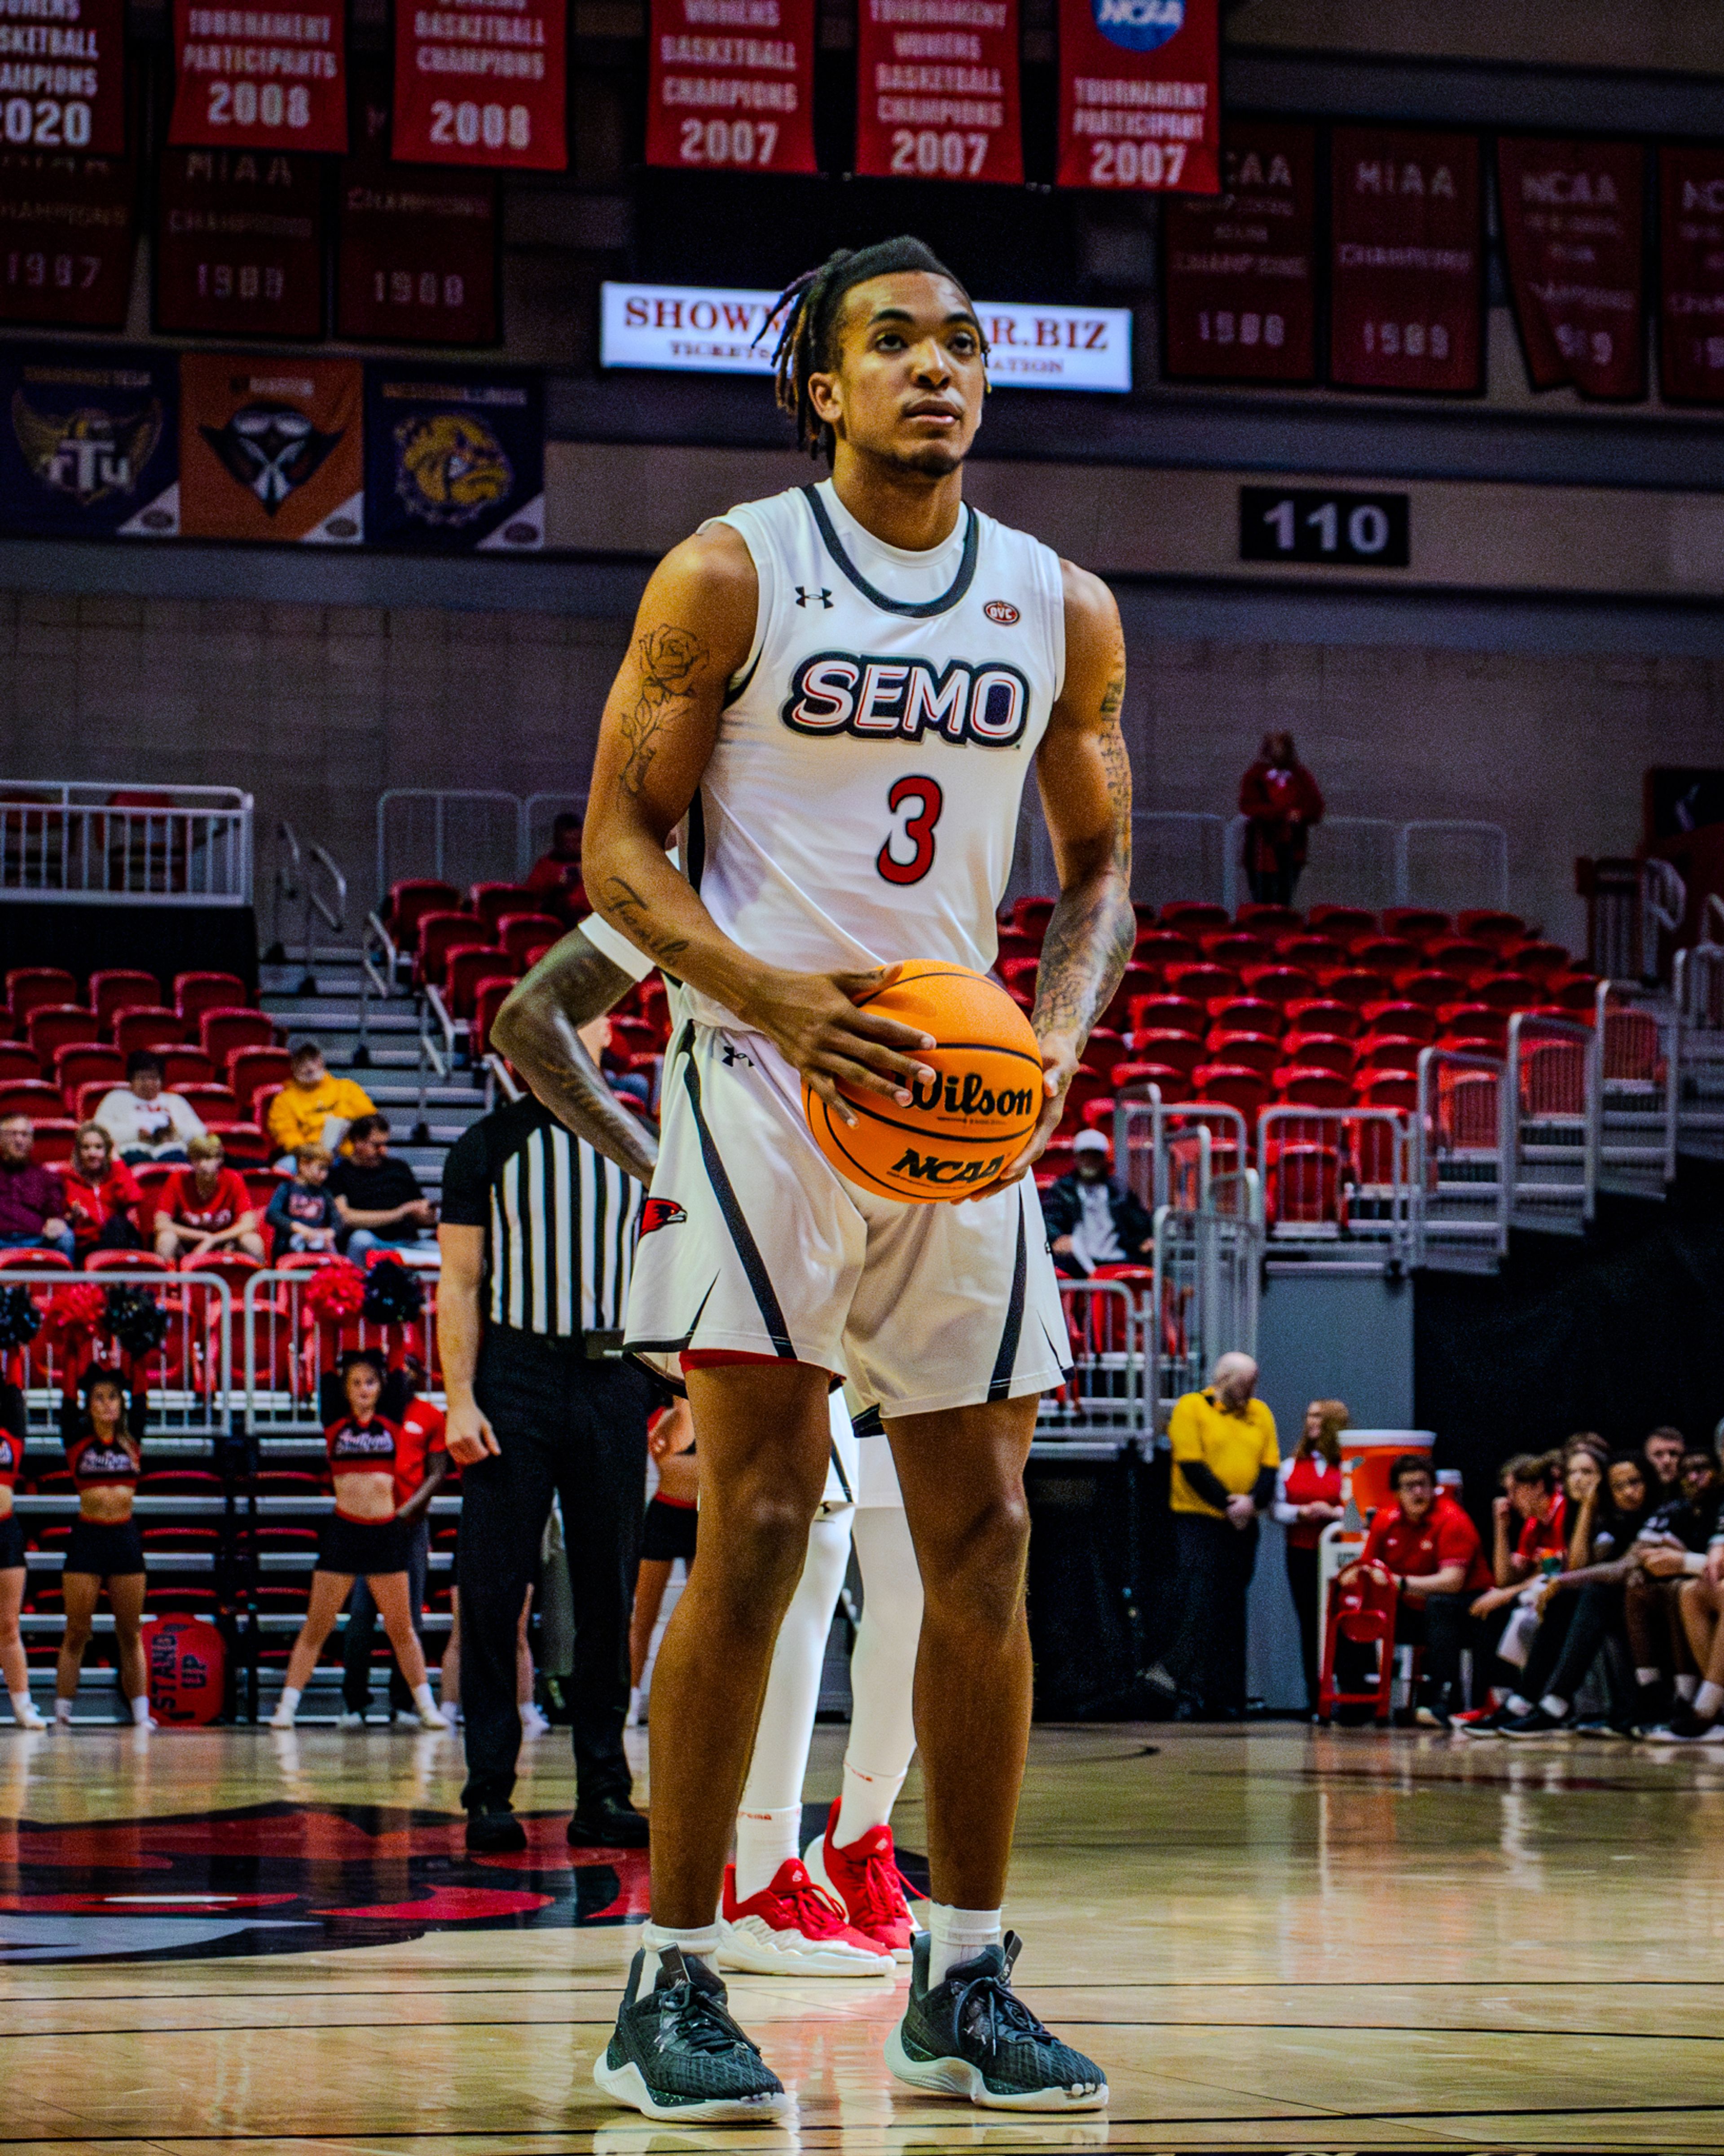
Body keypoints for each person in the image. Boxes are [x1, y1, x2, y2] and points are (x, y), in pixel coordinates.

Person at [497, 234, 1122, 2118]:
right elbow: (616, 851)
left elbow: (1093, 874)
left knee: (986, 1538)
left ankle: (964, 1972)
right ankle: (666, 1979)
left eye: (959, 344)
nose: (935, 370)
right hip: (763, 1080)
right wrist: (768, 995)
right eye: (891, 343)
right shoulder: (727, 570)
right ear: (819, 387)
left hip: (953, 1098)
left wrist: (1058, 1041)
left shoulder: (1060, 607)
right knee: (760, 1523)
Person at [435, 1086, 651, 1856]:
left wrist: (676, 1385)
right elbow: (458, 1280)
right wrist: (458, 1398)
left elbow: (676, 1267)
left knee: (609, 1594)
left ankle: (604, 1789)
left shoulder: (643, 1137)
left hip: (614, 1374)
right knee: (492, 1592)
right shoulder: (490, 1143)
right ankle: (488, 1790)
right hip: (513, 1375)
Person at [268, 1349, 448, 1730]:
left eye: (370, 1382)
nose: (364, 1389)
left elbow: (398, 1363)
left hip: (385, 1532)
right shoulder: (335, 1422)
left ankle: (426, 1707)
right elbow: (329, 1363)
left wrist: (395, 1316)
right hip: (344, 1532)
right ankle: (286, 1707)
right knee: (317, 1625)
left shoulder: (392, 1419)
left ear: (382, 1386)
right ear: (345, 1389)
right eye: (356, 1383)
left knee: (402, 1630)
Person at [1149, 1355, 1279, 1721]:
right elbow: (1192, 1465)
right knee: (1200, 1603)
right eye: (1246, 1384)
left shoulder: (1260, 1413)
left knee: (1232, 1609)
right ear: (1225, 1379)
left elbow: (1270, 1467)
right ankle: (1191, 1691)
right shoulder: (1192, 1408)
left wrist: (1252, 1502)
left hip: (1243, 1526)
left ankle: (1229, 1696)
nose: (1252, 1391)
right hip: (1200, 1523)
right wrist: (1229, 1505)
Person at [339, 1354, 448, 1726]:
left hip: (408, 1529)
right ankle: (354, 1703)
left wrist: (405, 1513)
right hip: (369, 1525)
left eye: (412, 1373)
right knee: (360, 1617)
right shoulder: (374, 1415)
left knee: (408, 1619)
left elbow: (438, 1473)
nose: (406, 1379)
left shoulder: (430, 1416)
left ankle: (403, 1703)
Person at [1344, 1455, 1488, 1727]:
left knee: (1440, 1604)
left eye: (1423, 1484)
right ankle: (1357, 1703)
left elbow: (1453, 1582)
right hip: (1414, 1612)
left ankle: (1443, 1702)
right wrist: (1354, 1576)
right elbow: (1367, 1567)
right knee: (1352, 1613)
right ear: (1397, 1492)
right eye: (1409, 1486)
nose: (1418, 1492)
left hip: (1467, 1611)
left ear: (1434, 1487)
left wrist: (1401, 1583)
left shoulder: (1452, 1519)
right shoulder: (1385, 1520)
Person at [57, 1372, 151, 1728]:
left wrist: (136, 1347)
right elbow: (66, 1401)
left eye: (114, 1396)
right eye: (99, 1397)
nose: (108, 1403)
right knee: (77, 1630)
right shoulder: (77, 1439)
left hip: (125, 1537)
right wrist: (71, 1346)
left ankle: (142, 1716)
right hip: (88, 1538)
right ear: (88, 1404)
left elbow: (141, 1393)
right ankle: (63, 1715)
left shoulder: (133, 1437)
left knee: (130, 1631)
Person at [1271, 1399, 1348, 1712]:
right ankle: (1316, 1697)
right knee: (1310, 1624)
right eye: (1309, 1415)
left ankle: (1351, 1694)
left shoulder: (1348, 1465)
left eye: (1318, 1416)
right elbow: (1276, 1508)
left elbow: (1358, 1509)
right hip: (1301, 1554)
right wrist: (1302, 1513)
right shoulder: (1290, 1466)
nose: (1311, 1421)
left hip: (1341, 1556)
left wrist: (1332, 1512)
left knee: (1342, 1623)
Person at [630, 1398, 698, 1700]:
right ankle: (630, 1696)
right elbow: (665, 1454)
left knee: (703, 1619)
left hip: (702, 1517)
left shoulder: (716, 1415)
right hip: (665, 1514)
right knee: (643, 1615)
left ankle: (700, 1697)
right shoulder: (662, 1415)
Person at [1041, 1128, 1154, 1277]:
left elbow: (1139, 1221)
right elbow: (1050, 1221)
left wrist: (1145, 1239)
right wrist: (1057, 1239)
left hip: (1118, 1258)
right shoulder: (1063, 1190)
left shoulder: (1118, 1190)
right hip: (1077, 1261)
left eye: (1095, 1156)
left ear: (1104, 1159)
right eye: (1085, 1156)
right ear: (1076, 1158)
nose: (1090, 1161)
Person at [327, 1115, 437, 1259]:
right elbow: (346, 1217)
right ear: (358, 1142)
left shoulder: (399, 1168)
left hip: (406, 1241)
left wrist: (426, 1213)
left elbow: (422, 1215)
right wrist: (399, 1213)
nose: (383, 1151)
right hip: (370, 1240)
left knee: (441, 1252)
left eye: (385, 1144)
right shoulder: (340, 1172)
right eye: (376, 1145)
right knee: (361, 1240)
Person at [1238, 731, 1324, 908]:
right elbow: (1249, 805)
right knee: (1262, 898)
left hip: (1292, 847)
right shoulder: (1256, 775)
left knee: (1286, 897)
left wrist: (1301, 814)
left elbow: (1316, 806)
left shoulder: (1301, 776)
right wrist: (1283, 813)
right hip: (1262, 847)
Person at [153, 1134, 265, 1264]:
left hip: (224, 1243)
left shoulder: (233, 1179)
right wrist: (203, 1237)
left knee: (252, 1241)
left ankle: (258, 1283)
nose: (203, 1164)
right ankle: (166, 1284)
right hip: (188, 1245)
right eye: (197, 1159)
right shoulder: (177, 1179)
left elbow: (249, 1223)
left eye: (208, 1158)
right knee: (166, 1239)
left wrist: (214, 1239)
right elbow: (161, 1223)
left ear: (220, 1160)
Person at [0, 1411, 44, 1726]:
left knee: (8, 1625)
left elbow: (15, 1378)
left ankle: (23, 1705)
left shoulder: (10, 1427)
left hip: (5, 1532)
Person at [266, 1043, 374, 1166]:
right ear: (293, 1066)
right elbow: (285, 1133)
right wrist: (309, 1152)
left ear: (321, 1060)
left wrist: (346, 1122)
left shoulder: (347, 1088)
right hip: (308, 1158)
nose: (310, 1068)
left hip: (346, 1156)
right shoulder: (284, 1100)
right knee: (284, 1166)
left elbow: (370, 1120)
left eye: (313, 1060)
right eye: (302, 1062)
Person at [94, 1053, 205, 1165]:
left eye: (153, 1078)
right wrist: (137, 1133)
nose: (148, 1084)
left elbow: (200, 1133)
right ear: (131, 1080)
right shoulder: (116, 1098)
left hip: (172, 1152)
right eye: (142, 1078)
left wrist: (174, 1130)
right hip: (132, 1152)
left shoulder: (175, 1101)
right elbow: (99, 1133)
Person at [56, 1123, 144, 1259]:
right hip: (86, 1246)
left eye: (99, 1147)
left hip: (119, 1241)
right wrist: (73, 1217)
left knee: (119, 1224)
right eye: (86, 1148)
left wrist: (116, 1160)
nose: (92, 1153)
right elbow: (59, 1222)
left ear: (107, 1151)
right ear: (78, 1152)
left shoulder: (117, 1176)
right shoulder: (68, 1182)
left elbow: (134, 1198)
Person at [0, 1114, 75, 1260]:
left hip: (37, 1241)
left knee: (66, 1237)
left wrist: (57, 1222)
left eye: (24, 1135)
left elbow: (55, 1213)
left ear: (32, 1141)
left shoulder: (46, 1176)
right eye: (12, 1134)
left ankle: (65, 1284)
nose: (19, 1140)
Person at [264, 1145, 340, 1258]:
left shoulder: (324, 1193)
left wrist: (331, 1232)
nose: (325, 1175)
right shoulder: (287, 1188)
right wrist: (300, 1229)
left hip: (317, 1245)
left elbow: (337, 1220)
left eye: (327, 1170)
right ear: (303, 1165)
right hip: (287, 1247)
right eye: (321, 1168)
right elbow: (272, 1214)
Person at [524, 811, 585, 906]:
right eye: (571, 841)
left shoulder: (592, 865)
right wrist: (557, 885)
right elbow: (531, 894)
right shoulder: (546, 866)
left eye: (579, 840)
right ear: (560, 841)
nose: (578, 845)